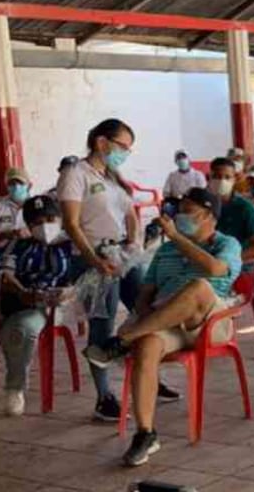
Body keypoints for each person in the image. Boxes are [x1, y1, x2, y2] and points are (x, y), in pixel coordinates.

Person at [84, 187, 242, 467]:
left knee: (198, 287)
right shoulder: (166, 250)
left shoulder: (226, 244)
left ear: (209, 217)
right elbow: (146, 292)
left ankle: (122, 341)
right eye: (179, 211)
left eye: (188, 212)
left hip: (209, 321)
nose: (180, 216)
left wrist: (177, 237)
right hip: (169, 321)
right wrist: (145, 313)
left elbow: (217, 270)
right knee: (147, 345)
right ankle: (146, 433)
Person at [59, 118, 160, 421]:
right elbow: (71, 224)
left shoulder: (112, 175)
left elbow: (129, 211)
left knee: (147, 309)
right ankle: (105, 398)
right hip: (93, 258)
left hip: (121, 255)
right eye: (122, 147)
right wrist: (94, 261)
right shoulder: (75, 174)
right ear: (102, 142)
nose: (125, 154)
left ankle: (150, 374)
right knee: (101, 326)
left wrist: (133, 241)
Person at [0, 195, 77, 418]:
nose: (45, 226)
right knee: (13, 327)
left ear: (59, 219)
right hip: (23, 301)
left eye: (50, 219)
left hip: (54, 306)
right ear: (29, 226)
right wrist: (22, 291)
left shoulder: (72, 245)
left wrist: (69, 292)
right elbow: (5, 273)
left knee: (20, 330)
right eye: (37, 223)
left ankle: (14, 388)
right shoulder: (19, 245)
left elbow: (85, 279)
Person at [208, 157, 254, 265]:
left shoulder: (246, 208)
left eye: (227, 177)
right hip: (207, 263)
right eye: (216, 177)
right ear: (209, 177)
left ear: (234, 180)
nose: (222, 181)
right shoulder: (201, 204)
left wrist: (228, 260)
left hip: (238, 265)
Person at [0, 168, 32, 266]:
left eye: (20, 183)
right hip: (0, 250)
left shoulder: (37, 205)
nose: (16, 187)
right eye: (12, 183)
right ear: (6, 186)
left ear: (29, 186)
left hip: (30, 248)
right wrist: (5, 235)